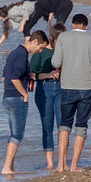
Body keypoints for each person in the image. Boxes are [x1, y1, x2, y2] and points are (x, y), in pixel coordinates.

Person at [51, 13, 91, 171]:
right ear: (85, 26)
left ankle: (60, 165)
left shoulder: (63, 38)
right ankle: (73, 165)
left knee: (64, 125)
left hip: (67, 86)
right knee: (81, 125)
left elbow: (55, 62)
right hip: (86, 87)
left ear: (72, 24)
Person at [1, 32, 45, 175]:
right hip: (15, 98)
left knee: (15, 133)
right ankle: (7, 168)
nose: (40, 51)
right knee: (17, 134)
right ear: (35, 42)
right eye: (40, 48)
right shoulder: (21, 55)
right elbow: (14, 78)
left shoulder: (15, 53)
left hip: (8, 97)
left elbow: (4, 76)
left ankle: (10, 167)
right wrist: (24, 94)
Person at [0, 0, 73, 50]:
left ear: (2, 14)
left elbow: (26, 12)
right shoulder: (9, 18)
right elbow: (5, 32)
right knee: (26, 28)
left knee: (58, 27)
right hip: (43, 8)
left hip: (63, 6)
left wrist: (22, 25)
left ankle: (57, 46)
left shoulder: (12, 12)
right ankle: (29, 43)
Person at [29, 29, 60, 170]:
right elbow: (32, 74)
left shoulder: (63, 51)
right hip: (44, 89)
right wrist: (48, 74)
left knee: (63, 126)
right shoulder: (41, 53)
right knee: (47, 126)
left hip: (62, 88)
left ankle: (62, 161)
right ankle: (49, 163)